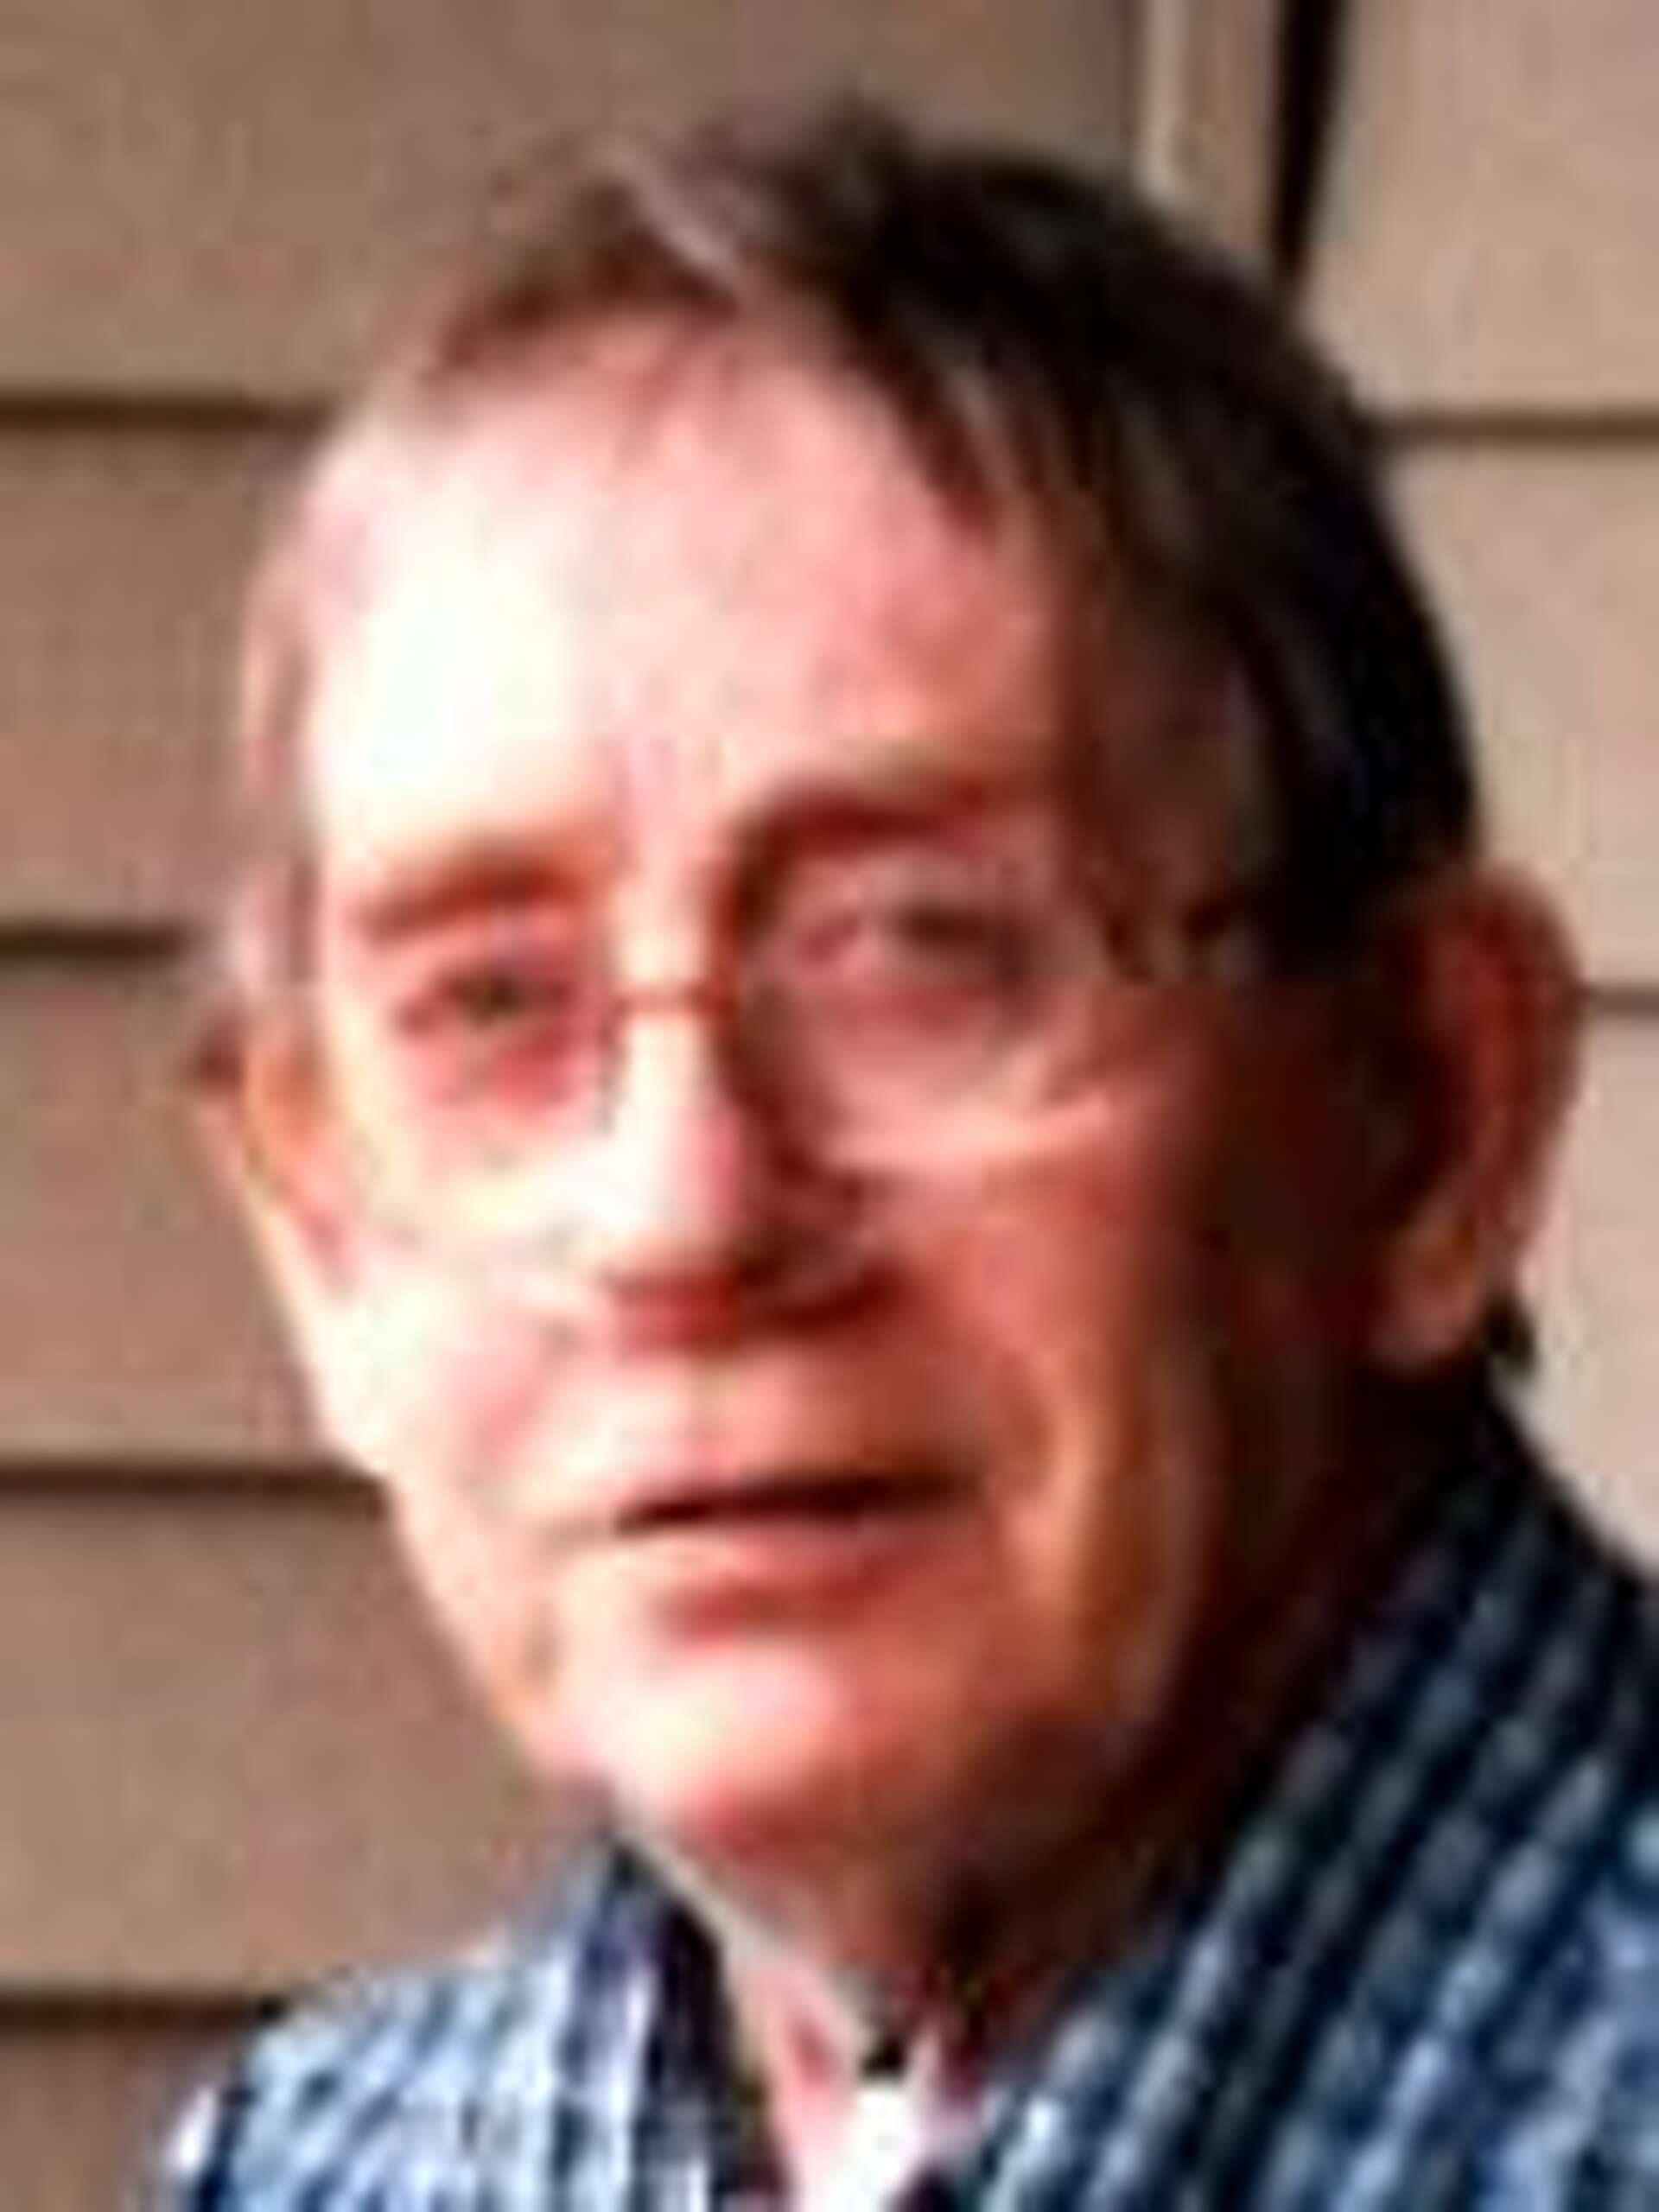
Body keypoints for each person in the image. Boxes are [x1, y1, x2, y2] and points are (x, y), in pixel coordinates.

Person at [152, 101, 1658, 2208]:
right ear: (321, 1236)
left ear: (1425, 1113)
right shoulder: (323, 2161)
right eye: (490, 1002)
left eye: (915, 950)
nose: (681, 1211)